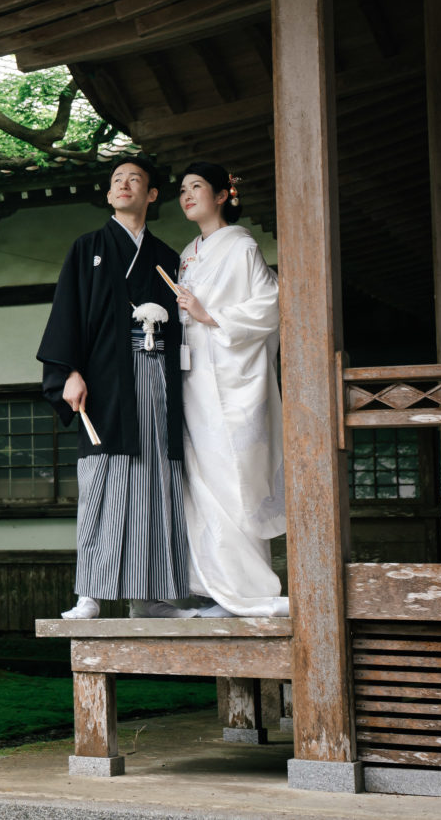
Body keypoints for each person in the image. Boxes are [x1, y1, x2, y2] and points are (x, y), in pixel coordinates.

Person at [39, 157, 191, 620]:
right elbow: (68, 313)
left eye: (136, 180)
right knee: (104, 480)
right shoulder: (88, 248)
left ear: (151, 196)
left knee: (159, 481)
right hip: (105, 377)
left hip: (158, 375)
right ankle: (90, 593)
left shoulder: (169, 258)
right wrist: (68, 371)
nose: (124, 186)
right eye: (117, 181)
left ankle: (153, 597)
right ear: (109, 196)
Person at [167, 162, 288, 618]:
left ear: (223, 195)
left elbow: (270, 304)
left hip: (231, 377)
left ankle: (251, 589)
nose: (187, 195)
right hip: (194, 378)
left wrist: (208, 315)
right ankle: (216, 588)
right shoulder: (188, 252)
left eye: (196, 187)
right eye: (182, 189)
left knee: (234, 478)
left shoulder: (241, 246)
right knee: (199, 481)